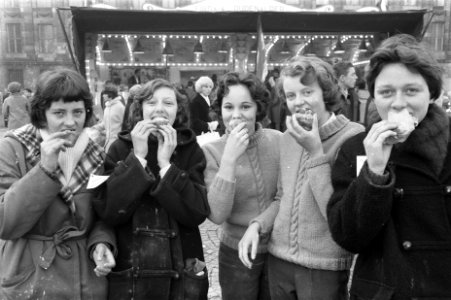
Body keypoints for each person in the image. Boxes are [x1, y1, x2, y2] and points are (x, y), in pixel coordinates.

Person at [327, 34, 451, 299]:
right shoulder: (355, 149)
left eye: (411, 90)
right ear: (373, 96)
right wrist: (373, 173)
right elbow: (348, 238)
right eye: (386, 92)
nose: (397, 102)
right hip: (386, 292)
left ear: (432, 93)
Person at [239, 56, 364, 300]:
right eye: (291, 95)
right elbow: (282, 197)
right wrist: (257, 225)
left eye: (307, 92)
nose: (298, 102)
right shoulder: (288, 138)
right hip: (279, 262)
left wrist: (316, 152)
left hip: (323, 267)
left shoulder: (354, 137)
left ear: (326, 92)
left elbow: (345, 214)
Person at [0, 68, 116, 299]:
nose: (71, 122)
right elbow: (5, 223)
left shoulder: (97, 154)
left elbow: (103, 214)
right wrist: (44, 169)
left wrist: (101, 243)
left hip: (86, 280)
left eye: (78, 112)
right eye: (59, 113)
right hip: (30, 277)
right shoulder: (12, 148)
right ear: (42, 114)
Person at [94, 78, 210, 300]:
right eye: (151, 103)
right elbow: (108, 210)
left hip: (181, 269)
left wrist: (167, 165)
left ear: (179, 110)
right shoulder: (119, 148)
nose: (159, 109)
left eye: (168, 103)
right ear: (140, 110)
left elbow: (196, 213)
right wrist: (137, 158)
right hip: (132, 268)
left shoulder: (190, 149)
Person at [202, 72, 282, 300]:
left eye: (245, 106)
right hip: (234, 253)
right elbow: (217, 214)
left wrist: (258, 226)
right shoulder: (211, 151)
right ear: (220, 110)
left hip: (278, 251)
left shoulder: (278, 141)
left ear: (258, 107)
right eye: (228, 107)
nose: (236, 115)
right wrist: (229, 159)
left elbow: (284, 197)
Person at [95, 83, 125, 152]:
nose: (102, 96)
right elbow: (104, 123)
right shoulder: (107, 107)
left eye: (104, 94)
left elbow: (125, 125)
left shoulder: (120, 107)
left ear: (110, 95)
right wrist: (95, 128)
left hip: (118, 144)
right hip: (107, 144)